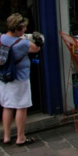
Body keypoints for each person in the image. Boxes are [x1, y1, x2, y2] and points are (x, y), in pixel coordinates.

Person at [0, 13, 43, 146]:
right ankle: (20, 137)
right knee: (21, 107)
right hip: (20, 78)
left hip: (4, 77)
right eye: (23, 28)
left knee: (7, 106)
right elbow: (36, 48)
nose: (25, 30)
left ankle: (6, 136)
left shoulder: (1, 38)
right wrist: (38, 39)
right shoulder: (22, 43)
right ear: (17, 29)